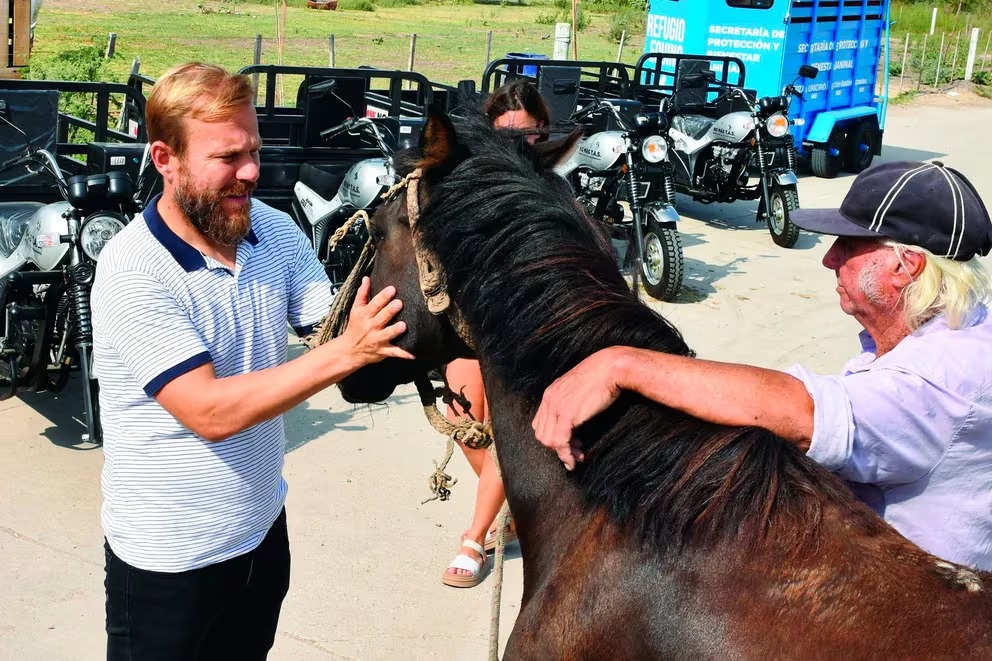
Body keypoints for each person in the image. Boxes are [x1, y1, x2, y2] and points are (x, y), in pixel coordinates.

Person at [92, 62, 412, 660]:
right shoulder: (134, 270)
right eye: (227, 158)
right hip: (169, 562)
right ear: (165, 159)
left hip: (261, 538)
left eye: (255, 151)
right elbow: (209, 411)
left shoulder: (271, 230)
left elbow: (334, 324)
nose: (250, 174)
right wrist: (347, 351)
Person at [533, 160, 992, 571]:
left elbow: (804, 413)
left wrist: (621, 364)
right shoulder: (964, 326)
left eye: (849, 246)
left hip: (913, 616)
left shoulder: (941, 374)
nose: (829, 257)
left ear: (905, 267)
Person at [442, 80, 552, 589]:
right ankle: (519, 507)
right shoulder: (471, 186)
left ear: (543, 134)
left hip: (530, 333)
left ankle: (476, 535)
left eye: (527, 137)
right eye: (505, 136)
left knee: (509, 424)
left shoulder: (555, 187)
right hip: (473, 325)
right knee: (461, 415)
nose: (516, 147)